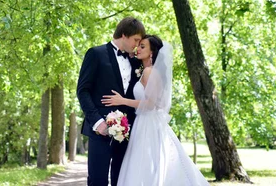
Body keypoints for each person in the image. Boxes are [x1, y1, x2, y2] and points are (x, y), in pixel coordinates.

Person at [102, 35, 210, 186]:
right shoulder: (146, 70)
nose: (137, 49)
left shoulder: (149, 72)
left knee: (145, 165)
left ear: (152, 52)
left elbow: (151, 104)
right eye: (138, 45)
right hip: (146, 121)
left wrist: (122, 100)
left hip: (148, 124)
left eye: (142, 46)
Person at [76, 17, 145, 186]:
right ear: (124, 34)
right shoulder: (96, 54)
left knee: (121, 180)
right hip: (100, 130)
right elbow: (83, 91)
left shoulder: (136, 61)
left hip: (128, 132)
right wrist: (98, 122)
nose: (137, 45)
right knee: (98, 180)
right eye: (136, 40)